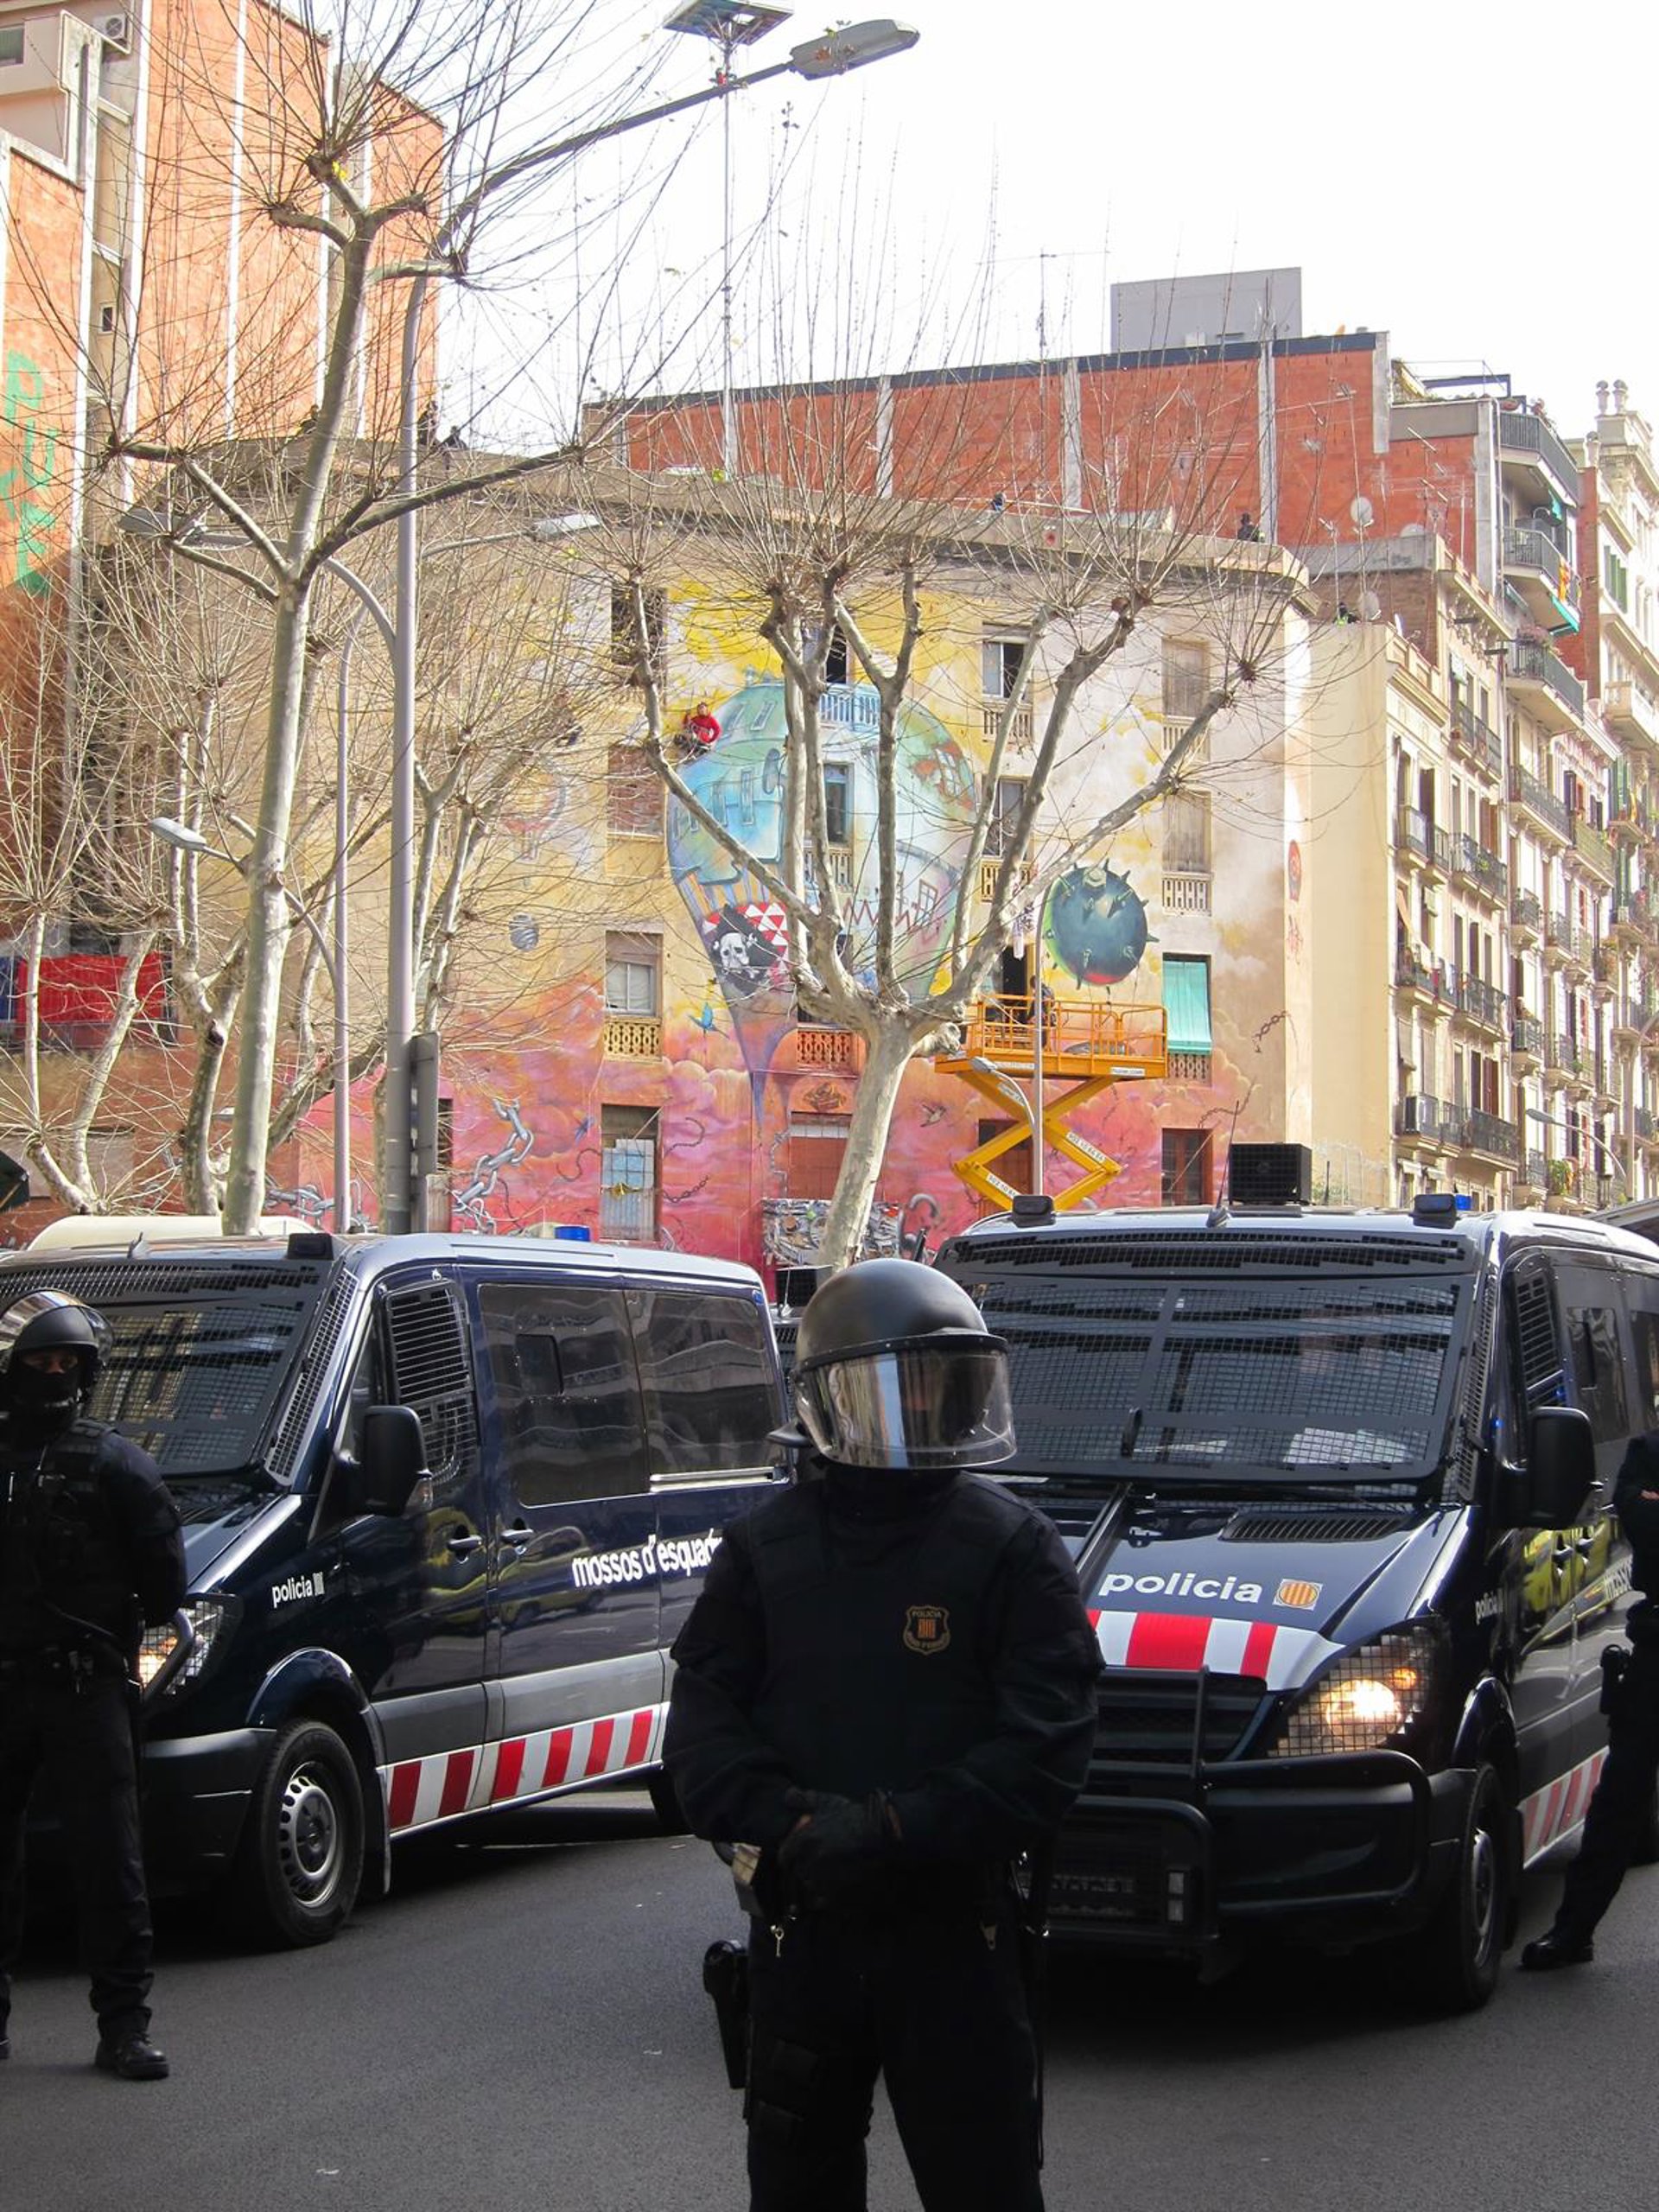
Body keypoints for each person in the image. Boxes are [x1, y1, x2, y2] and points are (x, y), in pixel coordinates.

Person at [664, 1259, 1100, 2212]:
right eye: (895, 1389)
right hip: (804, 1931)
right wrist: (796, 1824)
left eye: (941, 1387)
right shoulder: (763, 1550)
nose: (920, 1412)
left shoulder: (1011, 1547)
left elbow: (1046, 1749)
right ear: (828, 1398)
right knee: (797, 2189)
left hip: (954, 1939)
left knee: (983, 2188)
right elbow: (701, 1742)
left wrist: (891, 1829)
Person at [0, 1292, 184, 2078]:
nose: (54, 1375)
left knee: (110, 1859)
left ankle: (124, 2027)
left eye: (66, 1363)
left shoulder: (118, 1464)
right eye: (40, 1361)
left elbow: (167, 1586)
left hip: (84, 1687)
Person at [1521, 1427, 1659, 1971]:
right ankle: (1573, 1931)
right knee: (1620, 1799)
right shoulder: (1650, 1452)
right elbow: (1639, 1520)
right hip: (1655, 1653)